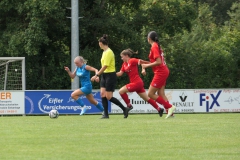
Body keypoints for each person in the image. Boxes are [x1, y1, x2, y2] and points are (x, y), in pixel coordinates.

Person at [91, 34, 130, 119]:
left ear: (101, 43)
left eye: (99, 43)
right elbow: (103, 67)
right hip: (104, 75)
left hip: (110, 75)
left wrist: (97, 75)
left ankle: (124, 109)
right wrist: (99, 75)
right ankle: (105, 114)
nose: (98, 44)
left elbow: (105, 66)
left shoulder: (109, 52)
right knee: (102, 94)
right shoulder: (104, 52)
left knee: (109, 96)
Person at [116, 49, 164, 117]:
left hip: (137, 83)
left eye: (122, 56)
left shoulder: (132, 60)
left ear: (126, 56)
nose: (121, 58)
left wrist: (153, 64)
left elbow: (141, 61)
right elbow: (120, 73)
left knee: (121, 91)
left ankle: (129, 106)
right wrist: (111, 74)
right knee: (147, 98)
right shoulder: (124, 64)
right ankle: (159, 109)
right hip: (137, 84)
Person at [141, 31, 176, 119]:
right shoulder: (156, 46)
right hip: (163, 71)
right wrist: (144, 63)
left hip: (161, 72)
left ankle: (169, 106)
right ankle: (170, 113)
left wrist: (146, 65)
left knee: (150, 94)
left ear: (149, 39)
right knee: (160, 93)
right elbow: (156, 62)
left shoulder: (154, 47)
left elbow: (158, 62)